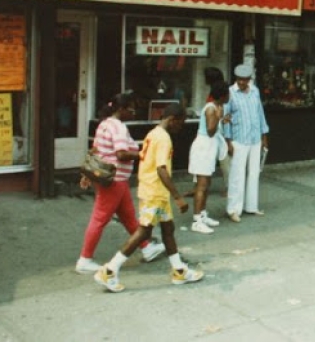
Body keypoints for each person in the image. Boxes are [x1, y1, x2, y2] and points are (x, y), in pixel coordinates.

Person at [94, 103, 204, 292]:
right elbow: (161, 169)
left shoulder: (152, 133)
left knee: (168, 229)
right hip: (155, 192)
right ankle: (110, 269)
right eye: (181, 122)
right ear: (172, 120)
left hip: (154, 191)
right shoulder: (163, 139)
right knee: (144, 232)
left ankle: (179, 270)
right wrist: (178, 196)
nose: (182, 126)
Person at [75, 93, 165, 274]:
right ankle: (85, 259)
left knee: (128, 217)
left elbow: (96, 149)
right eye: (131, 109)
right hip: (115, 179)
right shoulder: (118, 128)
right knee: (99, 219)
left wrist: (88, 174)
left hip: (112, 179)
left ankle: (147, 247)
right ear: (121, 109)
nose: (133, 113)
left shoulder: (104, 124)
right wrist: (143, 155)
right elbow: (121, 154)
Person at [223, 64, 269, 222]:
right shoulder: (230, 93)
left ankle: (251, 206)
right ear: (236, 79)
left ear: (249, 79)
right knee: (237, 174)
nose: (242, 83)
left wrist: (264, 135)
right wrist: (228, 141)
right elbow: (226, 118)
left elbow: (260, 113)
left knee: (254, 172)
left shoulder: (255, 91)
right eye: (239, 80)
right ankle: (233, 209)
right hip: (238, 139)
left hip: (255, 137)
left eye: (245, 80)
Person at [188, 80, 230, 234]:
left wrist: (222, 119)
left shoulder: (217, 107)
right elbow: (211, 130)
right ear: (224, 95)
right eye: (228, 93)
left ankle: (203, 214)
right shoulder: (211, 109)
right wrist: (219, 117)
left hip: (209, 149)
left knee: (206, 184)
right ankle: (197, 220)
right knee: (202, 185)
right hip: (203, 149)